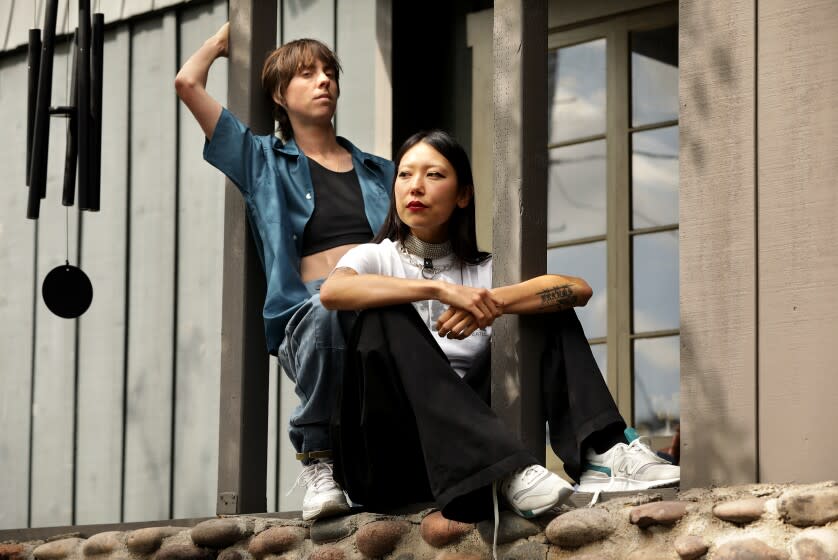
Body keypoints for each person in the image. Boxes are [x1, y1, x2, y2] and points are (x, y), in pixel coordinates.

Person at [319, 130, 680, 524]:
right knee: (381, 312)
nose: (415, 186)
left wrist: (492, 303)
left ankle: (604, 453)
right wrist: (441, 291)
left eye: (434, 175)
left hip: (469, 456)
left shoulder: (485, 271)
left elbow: (579, 289)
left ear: (463, 196)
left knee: (545, 306)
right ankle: (506, 469)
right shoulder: (374, 257)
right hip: (393, 459)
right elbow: (334, 291)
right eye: (404, 175)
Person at [175, 23, 394, 520]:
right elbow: (188, 84)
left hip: (379, 304)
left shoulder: (382, 171)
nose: (324, 82)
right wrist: (223, 41)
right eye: (307, 73)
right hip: (310, 310)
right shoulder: (260, 160)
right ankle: (318, 461)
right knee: (324, 311)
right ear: (279, 93)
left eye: (330, 73)